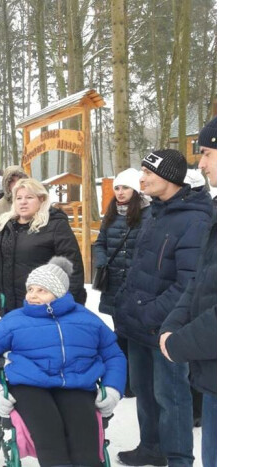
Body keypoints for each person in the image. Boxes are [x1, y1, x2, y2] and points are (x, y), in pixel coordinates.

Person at [0, 257, 127, 467]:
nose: (33, 295)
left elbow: (114, 355)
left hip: (76, 384)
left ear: (59, 293)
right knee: (50, 435)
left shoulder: (86, 320)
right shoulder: (15, 320)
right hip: (29, 386)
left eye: (41, 290)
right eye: (31, 289)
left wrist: (113, 389)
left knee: (86, 446)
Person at [114, 149, 213, 467]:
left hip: (164, 327)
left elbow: (190, 282)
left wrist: (154, 314)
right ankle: (151, 447)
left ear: (169, 177)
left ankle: (179, 458)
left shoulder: (195, 218)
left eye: (148, 172)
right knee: (144, 391)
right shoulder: (154, 212)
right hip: (140, 324)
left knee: (171, 397)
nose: (141, 178)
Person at [159, 116, 217, 467]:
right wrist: (173, 321)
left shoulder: (196, 215)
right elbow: (201, 279)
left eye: (208, 152)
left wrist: (178, 341)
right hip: (211, 367)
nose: (202, 163)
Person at [0, 178, 86, 319]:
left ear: (41, 199)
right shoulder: (3, 226)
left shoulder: (55, 226)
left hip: (44, 306)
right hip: (8, 304)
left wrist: (69, 303)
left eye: (29, 197)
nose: (23, 202)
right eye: (18, 198)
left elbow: (72, 267)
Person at [92, 168, 151, 397]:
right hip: (115, 282)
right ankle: (124, 380)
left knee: (137, 331)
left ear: (136, 189)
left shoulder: (149, 213)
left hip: (138, 284)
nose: (120, 192)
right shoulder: (111, 213)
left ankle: (138, 379)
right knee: (120, 330)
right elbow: (100, 243)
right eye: (117, 187)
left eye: (125, 187)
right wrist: (102, 262)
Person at [0, 165, 28, 262]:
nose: (16, 184)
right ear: (6, 184)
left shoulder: (34, 205)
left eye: (20, 180)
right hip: (6, 264)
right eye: (12, 180)